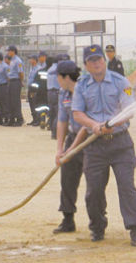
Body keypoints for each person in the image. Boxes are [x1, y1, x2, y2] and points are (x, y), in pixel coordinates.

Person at [72, 44, 136, 247]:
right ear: (86, 65)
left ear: (104, 60)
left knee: (126, 186)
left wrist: (113, 124)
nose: (96, 63)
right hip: (94, 147)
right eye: (91, 61)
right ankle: (97, 227)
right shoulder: (82, 85)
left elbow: (129, 110)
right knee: (93, 190)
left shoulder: (121, 82)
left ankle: (135, 228)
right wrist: (94, 125)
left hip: (120, 144)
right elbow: (77, 114)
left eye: (99, 59)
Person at [53, 60, 87, 234]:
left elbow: (86, 125)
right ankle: (68, 220)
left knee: (94, 184)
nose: (57, 80)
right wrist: (60, 149)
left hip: (90, 139)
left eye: (58, 76)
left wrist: (72, 148)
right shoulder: (63, 93)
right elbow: (62, 120)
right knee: (67, 179)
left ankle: (97, 224)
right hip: (73, 137)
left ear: (66, 77)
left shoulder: (85, 90)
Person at [6, 45, 25, 126]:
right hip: (11, 82)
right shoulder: (12, 61)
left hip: (16, 82)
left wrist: (20, 81)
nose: (8, 52)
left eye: (9, 51)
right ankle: (12, 119)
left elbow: (21, 73)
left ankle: (20, 119)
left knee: (15, 101)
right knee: (10, 101)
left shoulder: (18, 61)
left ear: (13, 51)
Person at [46, 55, 61, 139]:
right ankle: (56, 132)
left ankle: (52, 132)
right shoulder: (58, 69)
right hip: (57, 92)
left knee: (51, 113)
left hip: (49, 93)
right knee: (58, 113)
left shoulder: (50, 69)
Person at [26, 54, 40, 126]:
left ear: (35, 60)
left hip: (34, 89)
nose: (30, 60)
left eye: (31, 59)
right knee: (31, 104)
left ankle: (38, 120)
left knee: (35, 104)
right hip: (30, 88)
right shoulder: (31, 68)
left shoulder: (38, 69)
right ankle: (34, 119)